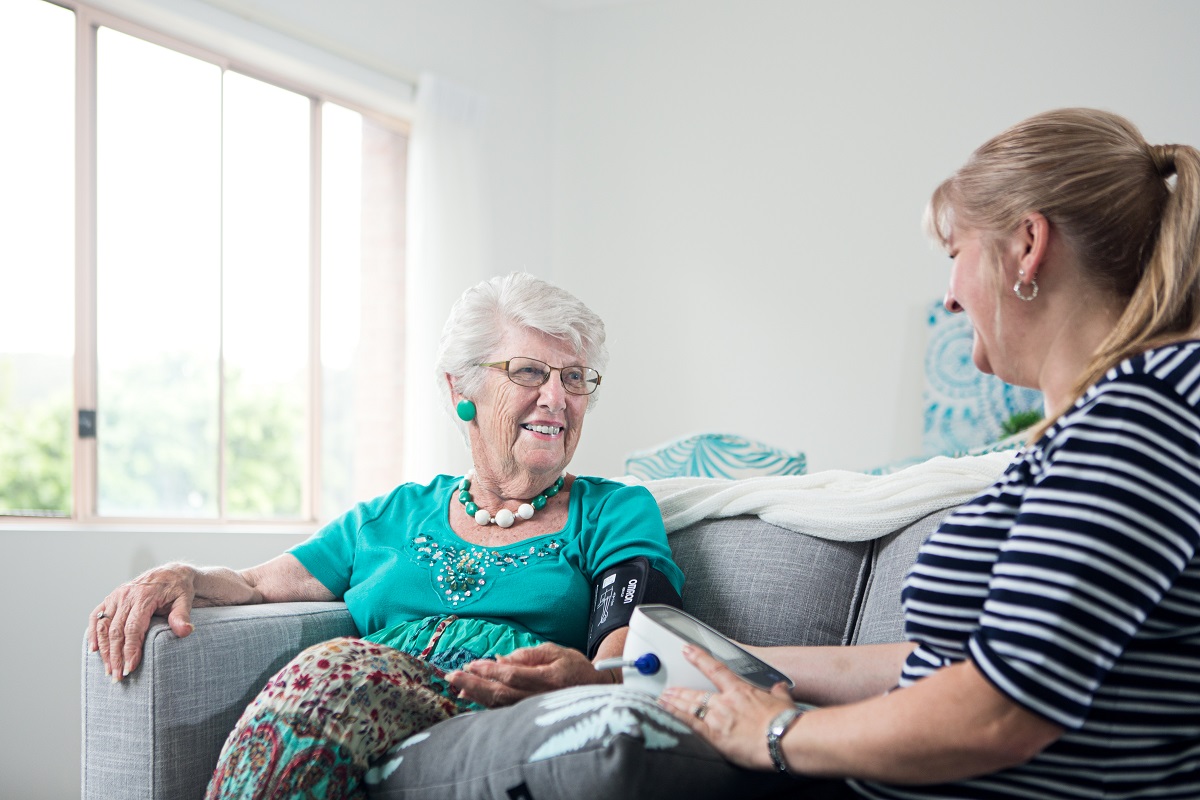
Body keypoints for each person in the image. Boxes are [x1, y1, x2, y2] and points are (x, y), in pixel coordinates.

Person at [657, 108, 1200, 799]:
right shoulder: (1111, 421)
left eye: (955, 256)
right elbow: (962, 665)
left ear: (1028, 245)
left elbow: (1001, 710)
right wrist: (728, 664)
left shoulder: (1137, 416)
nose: (948, 298)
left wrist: (775, 733)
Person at [86, 272, 685, 798]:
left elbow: (629, 655)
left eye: (575, 378)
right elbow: (253, 584)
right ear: (461, 392)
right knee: (327, 678)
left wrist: (585, 677)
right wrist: (181, 575)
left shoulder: (613, 511)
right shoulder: (393, 515)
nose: (556, 397)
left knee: (329, 676)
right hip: (356, 695)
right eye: (529, 371)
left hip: (497, 702)